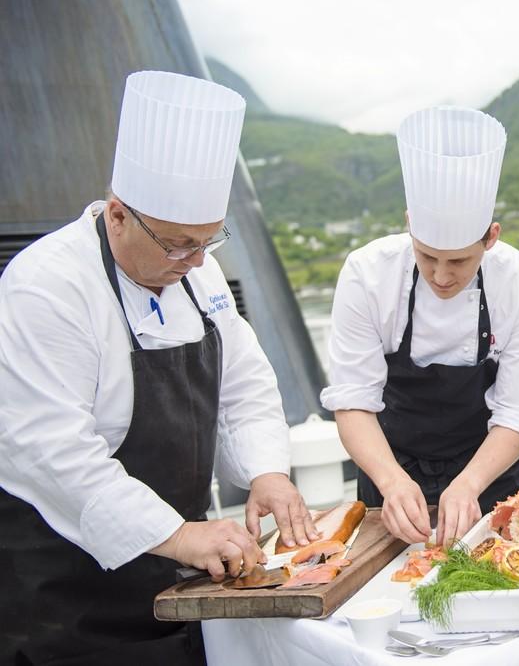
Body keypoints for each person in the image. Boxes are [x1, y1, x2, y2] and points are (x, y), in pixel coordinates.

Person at [0, 71, 319, 665]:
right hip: (68, 592)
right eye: (178, 244)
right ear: (118, 215)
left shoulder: (197, 275)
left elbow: (244, 386)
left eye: (208, 241)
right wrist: (178, 534)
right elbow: (49, 450)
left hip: (178, 580)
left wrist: (267, 474)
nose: (196, 261)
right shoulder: (45, 286)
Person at [321, 106, 519, 547]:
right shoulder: (367, 274)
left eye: (460, 261)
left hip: (489, 469)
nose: (441, 276)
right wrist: (390, 481)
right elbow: (353, 399)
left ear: (491, 237)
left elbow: (518, 413)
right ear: (410, 227)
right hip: (388, 466)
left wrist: (469, 485)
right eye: (427, 256)